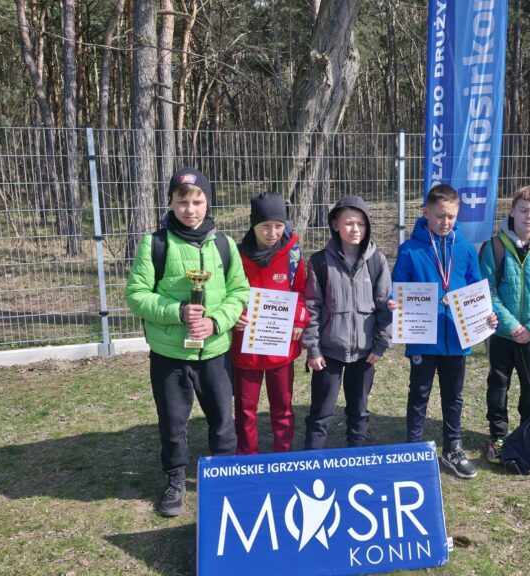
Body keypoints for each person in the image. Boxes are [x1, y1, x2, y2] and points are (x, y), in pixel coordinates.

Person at [124, 168, 250, 516]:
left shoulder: (225, 245)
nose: (190, 209)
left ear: (208, 203)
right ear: (170, 203)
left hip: (215, 352)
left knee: (222, 419)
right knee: (172, 421)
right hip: (170, 354)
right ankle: (175, 479)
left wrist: (216, 321)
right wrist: (178, 312)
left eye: (197, 201)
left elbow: (239, 291)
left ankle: (225, 476)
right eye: (182, 202)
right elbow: (136, 295)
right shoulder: (155, 244)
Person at [390, 183, 498, 479]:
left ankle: (453, 448)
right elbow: (397, 287)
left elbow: (476, 288)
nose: (445, 222)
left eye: (451, 216)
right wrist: (393, 302)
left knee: (454, 395)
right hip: (423, 337)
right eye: (439, 215)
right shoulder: (410, 250)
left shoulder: (465, 248)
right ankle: (413, 448)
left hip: (457, 337)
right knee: (419, 393)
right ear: (426, 212)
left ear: (457, 214)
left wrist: (487, 313)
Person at [301, 195, 392, 450]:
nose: (355, 229)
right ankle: (312, 457)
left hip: (364, 353)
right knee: (321, 411)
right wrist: (313, 349)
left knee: (359, 409)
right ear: (335, 224)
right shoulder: (320, 261)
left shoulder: (377, 261)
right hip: (328, 353)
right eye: (349, 223)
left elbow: (385, 307)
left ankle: (356, 454)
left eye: (361, 224)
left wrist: (380, 345)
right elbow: (312, 307)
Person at [479, 185, 530, 465]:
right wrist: (511, 325)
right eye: (524, 210)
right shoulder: (494, 247)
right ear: (512, 211)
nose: (529, 216)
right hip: (502, 334)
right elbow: (488, 291)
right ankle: (498, 436)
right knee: (498, 384)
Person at [230, 192, 307, 455]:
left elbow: (301, 290)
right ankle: (246, 454)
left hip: (280, 345)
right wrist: (234, 315)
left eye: (278, 225)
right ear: (253, 225)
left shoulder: (293, 256)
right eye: (265, 226)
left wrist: (298, 319)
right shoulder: (236, 255)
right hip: (246, 346)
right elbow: (227, 293)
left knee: (283, 405)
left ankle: (283, 452)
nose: (272, 232)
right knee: (245, 408)